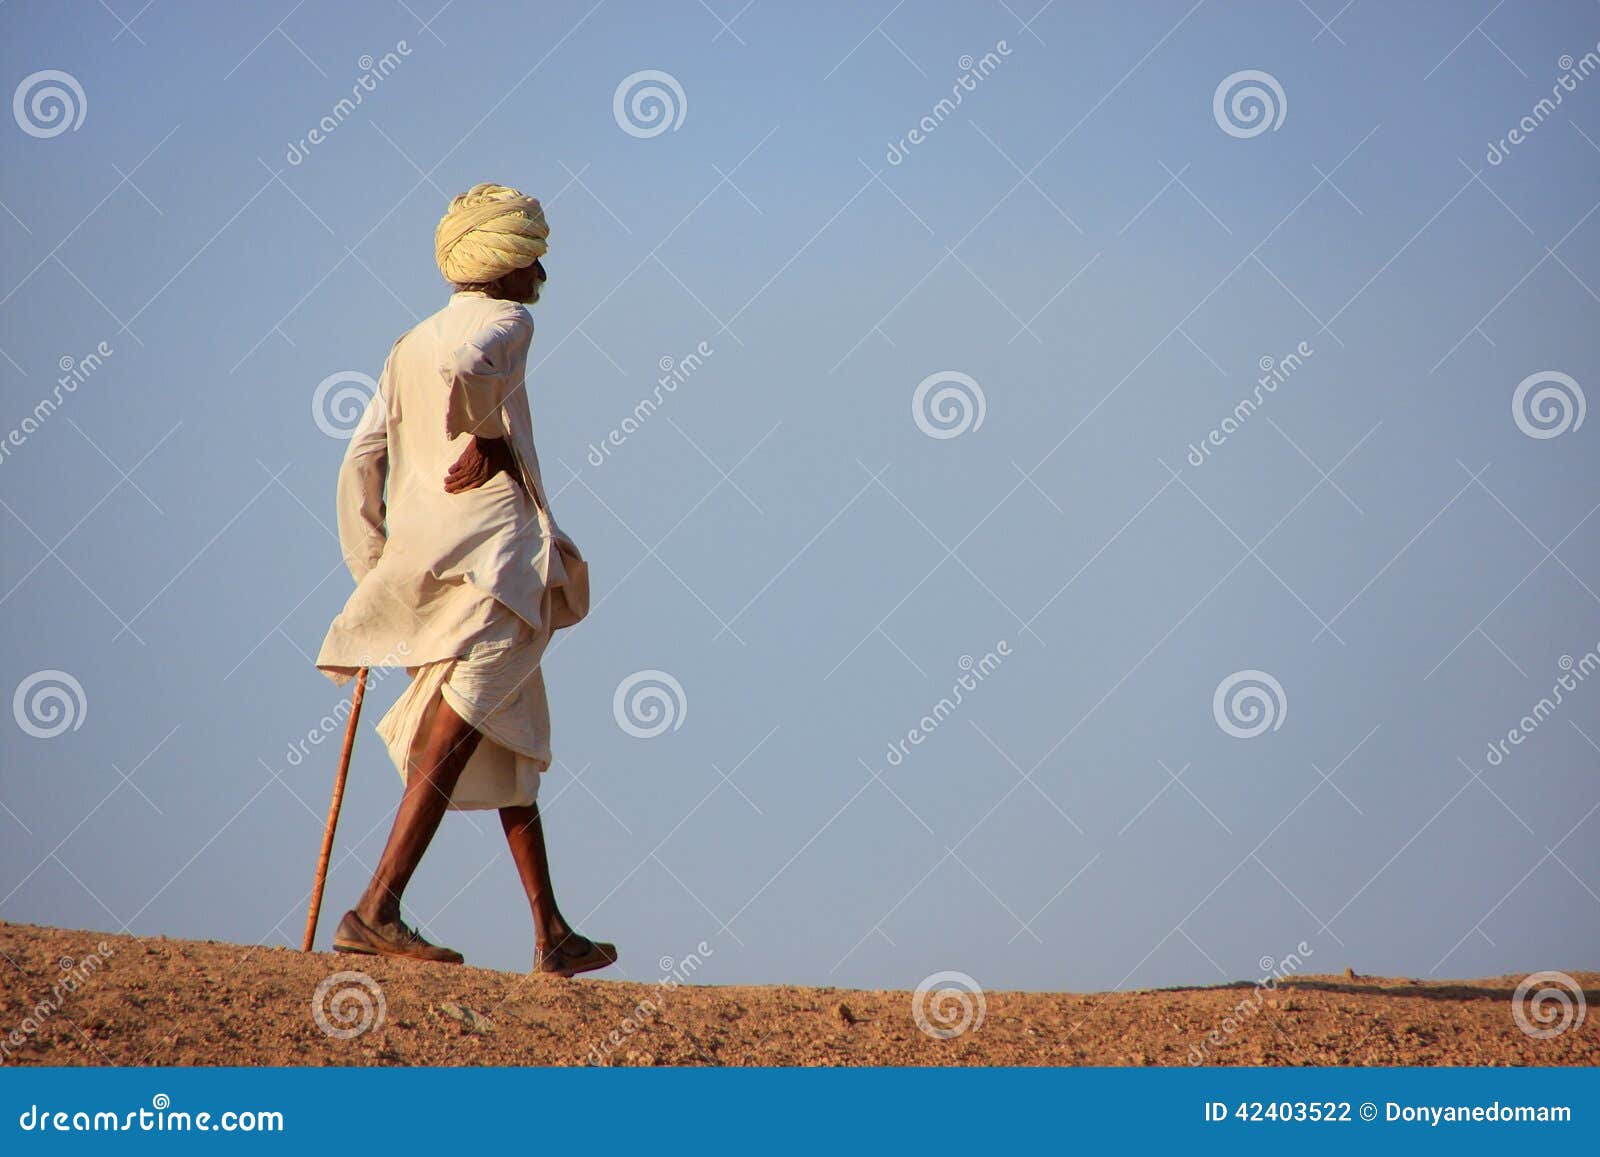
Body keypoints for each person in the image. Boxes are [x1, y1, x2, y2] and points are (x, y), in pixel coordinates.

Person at [315, 183, 616, 978]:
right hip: (494, 576)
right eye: (532, 256)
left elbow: (358, 460)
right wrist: (487, 435)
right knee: (447, 746)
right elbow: (474, 366)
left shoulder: (409, 341)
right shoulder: (508, 321)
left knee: (507, 742)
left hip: (436, 576)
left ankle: (551, 932)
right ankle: (376, 907)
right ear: (507, 262)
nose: (542, 270)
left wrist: (375, 573)